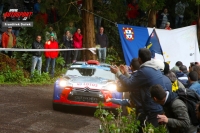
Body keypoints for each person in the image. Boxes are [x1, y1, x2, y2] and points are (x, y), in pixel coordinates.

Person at [110, 48, 168, 128]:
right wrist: (126, 74)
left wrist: (118, 73)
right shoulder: (155, 68)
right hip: (157, 107)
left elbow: (129, 84)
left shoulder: (144, 70)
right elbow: (136, 81)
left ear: (139, 59)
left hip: (151, 109)